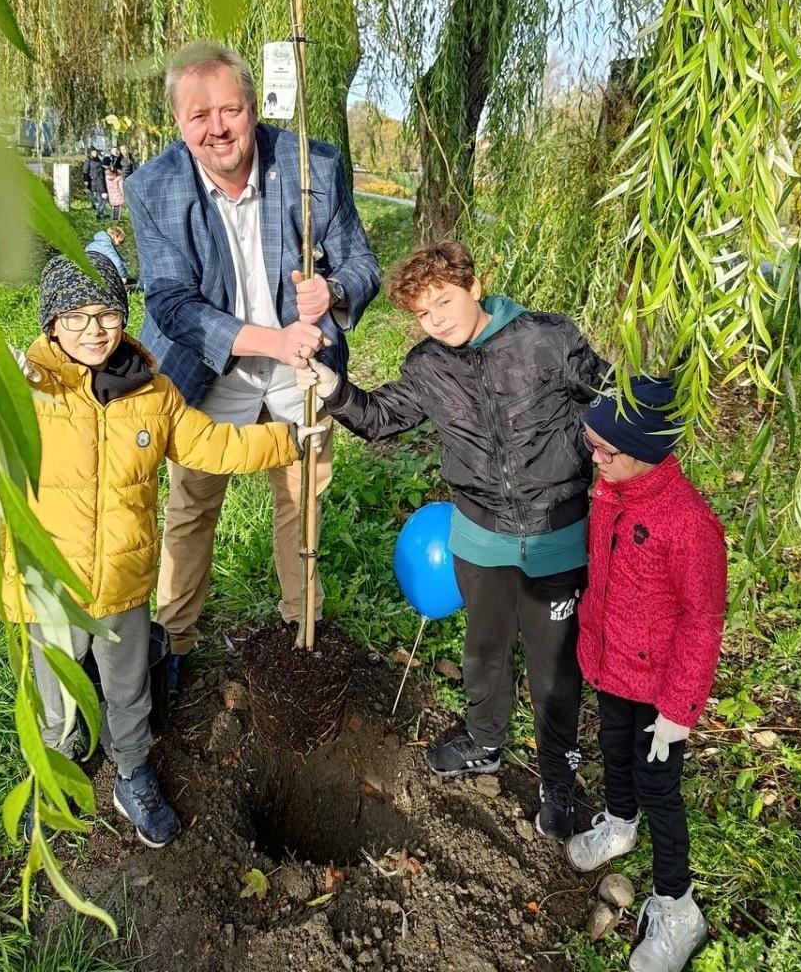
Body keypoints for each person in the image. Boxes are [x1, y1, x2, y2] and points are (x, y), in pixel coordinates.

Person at [297, 240, 609, 839]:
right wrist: (333, 387)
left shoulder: (547, 339)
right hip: (479, 535)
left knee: (553, 666)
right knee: (485, 650)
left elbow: (609, 399)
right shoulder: (428, 366)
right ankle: (485, 742)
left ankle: (558, 777)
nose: (437, 320)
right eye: (423, 312)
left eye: (444, 301)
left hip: (556, 535)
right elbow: (379, 418)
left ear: (475, 287)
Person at [1, 253, 304, 848]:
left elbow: (212, 445)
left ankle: (133, 773)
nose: (94, 330)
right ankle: (57, 771)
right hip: (52, 586)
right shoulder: (24, 388)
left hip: (123, 580)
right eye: (76, 316)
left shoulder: (153, 391)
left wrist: (289, 438)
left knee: (129, 688)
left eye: (107, 314)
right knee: (57, 697)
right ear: (52, 324)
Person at [125, 40, 379, 691]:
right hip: (210, 367)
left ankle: (303, 625)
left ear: (252, 107)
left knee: (302, 497)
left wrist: (333, 290)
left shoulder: (313, 166)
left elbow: (361, 264)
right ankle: (176, 638)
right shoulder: (154, 187)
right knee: (192, 506)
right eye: (198, 116)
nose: (217, 128)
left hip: (302, 370)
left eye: (230, 110)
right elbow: (172, 305)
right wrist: (272, 339)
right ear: (178, 122)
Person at [568, 376, 727, 972]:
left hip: (661, 690)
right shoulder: (614, 488)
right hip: (614, 667)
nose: (595, 458)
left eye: (606, 450)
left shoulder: (687, 523)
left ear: (646, 450)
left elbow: (702, 621)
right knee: (613, 749)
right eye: (591, 444)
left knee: (659, 785)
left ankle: (678, 907)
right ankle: (618, 822)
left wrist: (679, 710)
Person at [82, 147, 107, 219]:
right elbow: (85, 172)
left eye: (96, 152)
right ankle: (97, 213)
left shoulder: (100, 160)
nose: (95, 153)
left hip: (100, 181)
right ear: (90, 153)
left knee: (101, 198)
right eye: (93, 152)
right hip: (92, 181)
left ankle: (100, 213)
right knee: (95, 198)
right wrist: (86, 181)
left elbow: (103, 170)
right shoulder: (88, 161)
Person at [104, 156, 126, 222]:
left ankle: (114, 217)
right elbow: (121, 187)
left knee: (114, 206)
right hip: (118, 193)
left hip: (111, 193)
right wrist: (123, 195)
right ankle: (117, 218)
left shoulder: (107, 176)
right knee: (118, 207)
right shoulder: (119, 178)